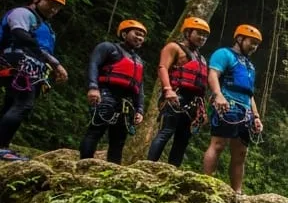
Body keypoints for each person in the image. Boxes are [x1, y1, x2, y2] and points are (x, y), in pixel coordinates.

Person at [0, 0, 69, 161]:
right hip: (18, 63)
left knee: (11, 104)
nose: (54, 9)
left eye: (57, 7)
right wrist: (54, 63)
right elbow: (20, 35)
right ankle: (1, 147)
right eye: (50, 3)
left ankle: (4, 146)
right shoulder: (23, 14)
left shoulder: (43, 24)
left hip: (31, 68)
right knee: (23, 104)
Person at [203, 24, 264, 193]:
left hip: (245, 110)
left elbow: (249, 94)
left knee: (241, 153)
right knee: (218, 144)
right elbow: (213, 75)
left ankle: (237, 192)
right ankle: (207, 184)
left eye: (256, 44)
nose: (254, 47)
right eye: (251, 42)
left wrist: (256, 116)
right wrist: (218, 95)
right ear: (239, 39)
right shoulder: (224, 54)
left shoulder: (250, 65)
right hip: (227, 104)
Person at [79, 19, 147, 163]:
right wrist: (93, 87)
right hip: (106, 93)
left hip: (125, 102)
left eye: (142, 36)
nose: (140, 38)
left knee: (119, 139)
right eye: (137, 33)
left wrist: (140, 109)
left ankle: (113, 169)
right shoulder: (108, 48)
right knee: (96, 130)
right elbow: (93, 64)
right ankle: (84, 164)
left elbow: (139, 87)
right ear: (124, 34)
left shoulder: (138, 60)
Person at [147, 16, 211, 165]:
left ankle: (173, 171)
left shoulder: (202, 59)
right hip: (177, 95)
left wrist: (203, 109)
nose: (202, 38)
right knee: (166, 132)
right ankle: (148, 166)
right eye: (199, 33)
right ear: (188, 32)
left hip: (194, 102)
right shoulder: (174, 47)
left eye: (205, 35)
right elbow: (163, 67)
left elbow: (201, 87)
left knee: (183, 138)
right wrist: (168, 90)